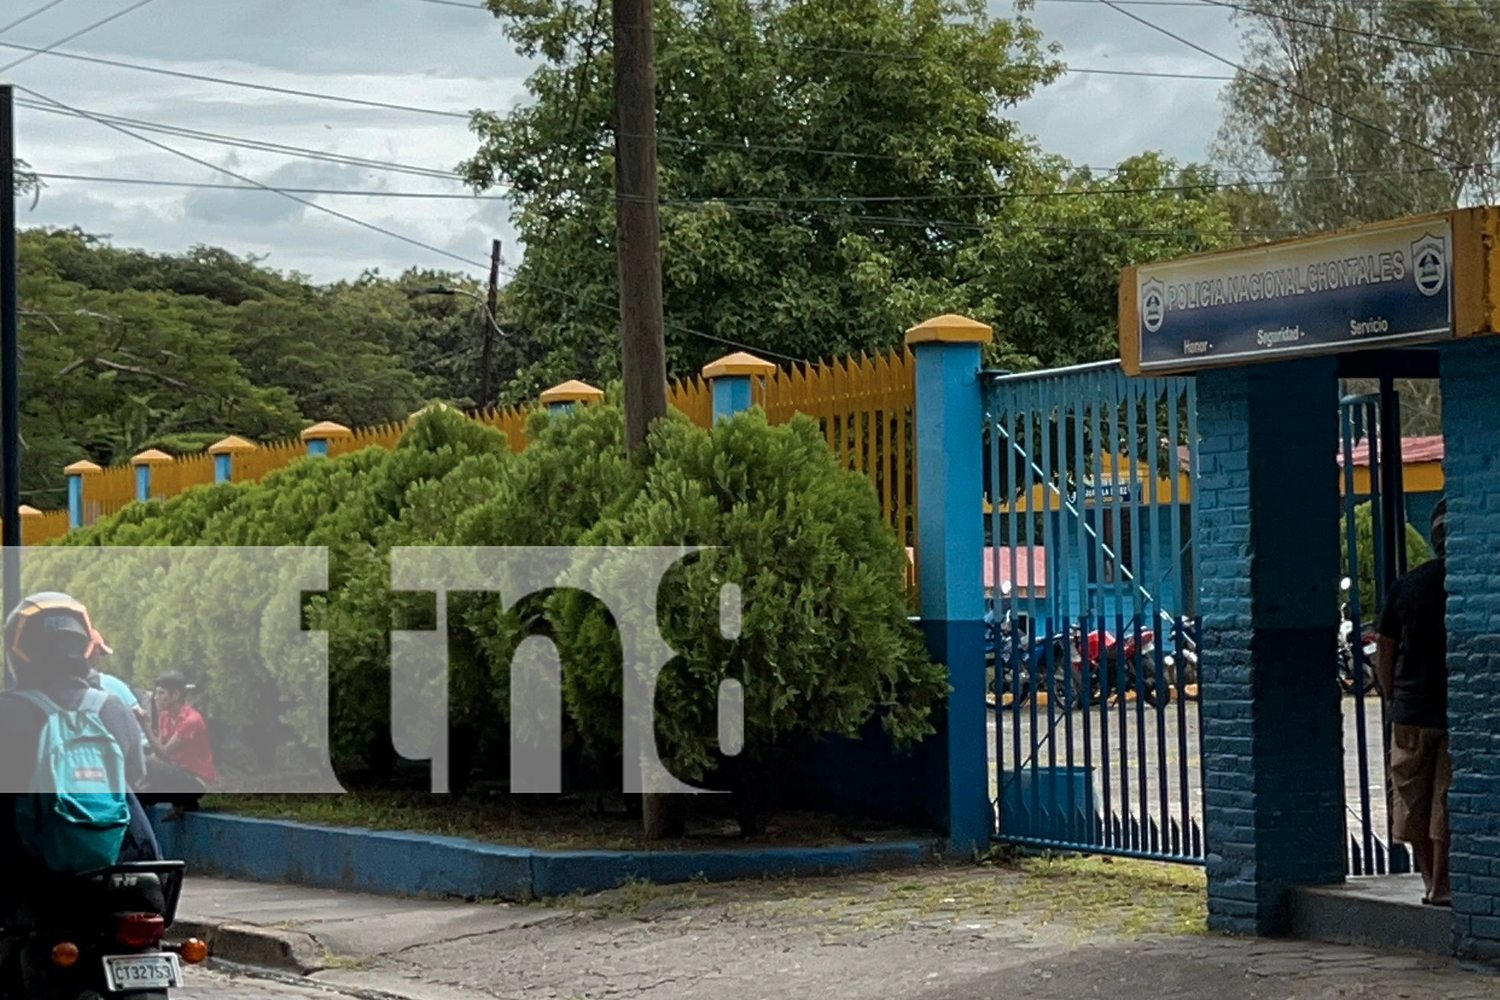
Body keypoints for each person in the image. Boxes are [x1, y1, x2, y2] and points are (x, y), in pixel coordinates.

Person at [0, 592, 159, 914]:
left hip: (34, 870)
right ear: (85, 646)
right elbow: (136, 776)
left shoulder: (8, 710)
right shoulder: (114, 708)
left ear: (18, 651)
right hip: (119, 869)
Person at [1377, 499, 1450, 907]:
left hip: (1410, 710)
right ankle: (1443, 884)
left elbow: (1384, 648)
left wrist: (1392, 695)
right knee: (1445, 799)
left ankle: (1427, 882)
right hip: (1452, 712)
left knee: (1410, 796)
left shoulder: (1408, 585)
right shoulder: (1468, 584)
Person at [139, 670, 217, 821]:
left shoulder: (191, 720)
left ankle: (184, 801)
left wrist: (145, 725)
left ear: (175, 696)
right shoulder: (165, 716)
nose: (156, 698)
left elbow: (163, 753)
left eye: (161, 693)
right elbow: (158, 751)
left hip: (193, 781)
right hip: (174, 774)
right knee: (137, 794)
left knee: (148, 763)